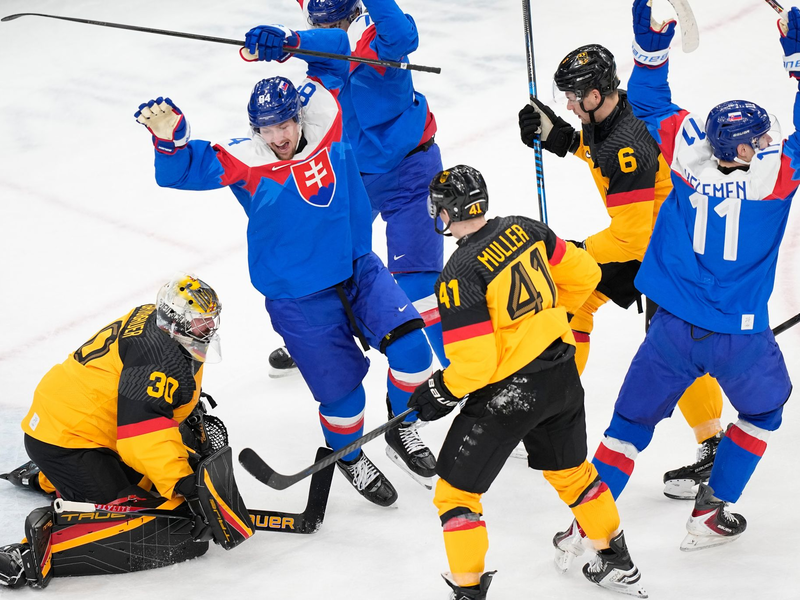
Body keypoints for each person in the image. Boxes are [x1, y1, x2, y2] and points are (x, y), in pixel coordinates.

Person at [136, 26, 438, 502]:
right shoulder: (246, 159)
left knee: (416, 357)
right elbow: (177, 172)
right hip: (300, 298)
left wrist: (288, 41)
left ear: (298, 115)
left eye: (285, 123)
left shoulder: (326, 117)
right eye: (268, 128)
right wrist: (168, 140)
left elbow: (335, 50)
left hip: (358, 269)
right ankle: (351, 457)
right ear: (256, 129)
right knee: (345, 400)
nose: (279, 136)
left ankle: (402, 429)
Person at [559, 0, 800, 554]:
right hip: (739, 338)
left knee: (625, 429)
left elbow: (646, 102)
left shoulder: (687, 159)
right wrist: (796, 55)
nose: (766, 144)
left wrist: (652, 47)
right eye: (759, 140)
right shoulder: (778, 176)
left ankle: (583, 529)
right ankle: (712, 515)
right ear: (743, 148)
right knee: (764, 412)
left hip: (668, 331)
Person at [407, 165, 647, 599]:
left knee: (455, 495)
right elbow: (587, 275)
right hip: (561, 376)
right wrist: (549, 322)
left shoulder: (459, 273)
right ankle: (617, 562)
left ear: (445, 212)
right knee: (574, 475)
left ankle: (467, 591)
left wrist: (440, 391)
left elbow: (476, 367)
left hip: (510, 397)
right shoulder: (526, 228)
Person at [518, 43, 724, 500]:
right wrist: (566, 140)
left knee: (675, 348)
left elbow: (629, 239)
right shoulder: (615, 113)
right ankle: (551, 410)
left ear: (595, 95)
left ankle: (715, 447)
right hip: (657, 239)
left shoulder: (625, 145)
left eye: (573, 97)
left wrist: (570, 251)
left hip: (669, 253)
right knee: (573, 302)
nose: (568, 105)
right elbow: (602, 152)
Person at [0, 274, 253, 589]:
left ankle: (49, 476)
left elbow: (144, 391)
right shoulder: (158, 356)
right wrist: (184, 484)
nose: (211, 328)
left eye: (212, 319)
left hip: (78, 420)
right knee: (136, 515)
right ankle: (24, 557)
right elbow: (142, 433)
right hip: (67, 438)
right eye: (202, 322)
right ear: (177, 321)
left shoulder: (156, 319)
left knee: (156, 484)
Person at [262, 0, 447, 382]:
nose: (329, 28)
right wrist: (281, 41)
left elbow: (402, 34)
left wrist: (293, 42)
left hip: (410, 170)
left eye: (336, 22)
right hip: (355, 174)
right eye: (319, 22)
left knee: (418, 283)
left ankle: (467, 373)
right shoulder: (323, 41)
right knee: (322, 259)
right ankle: (323, 337)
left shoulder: (378, 39)